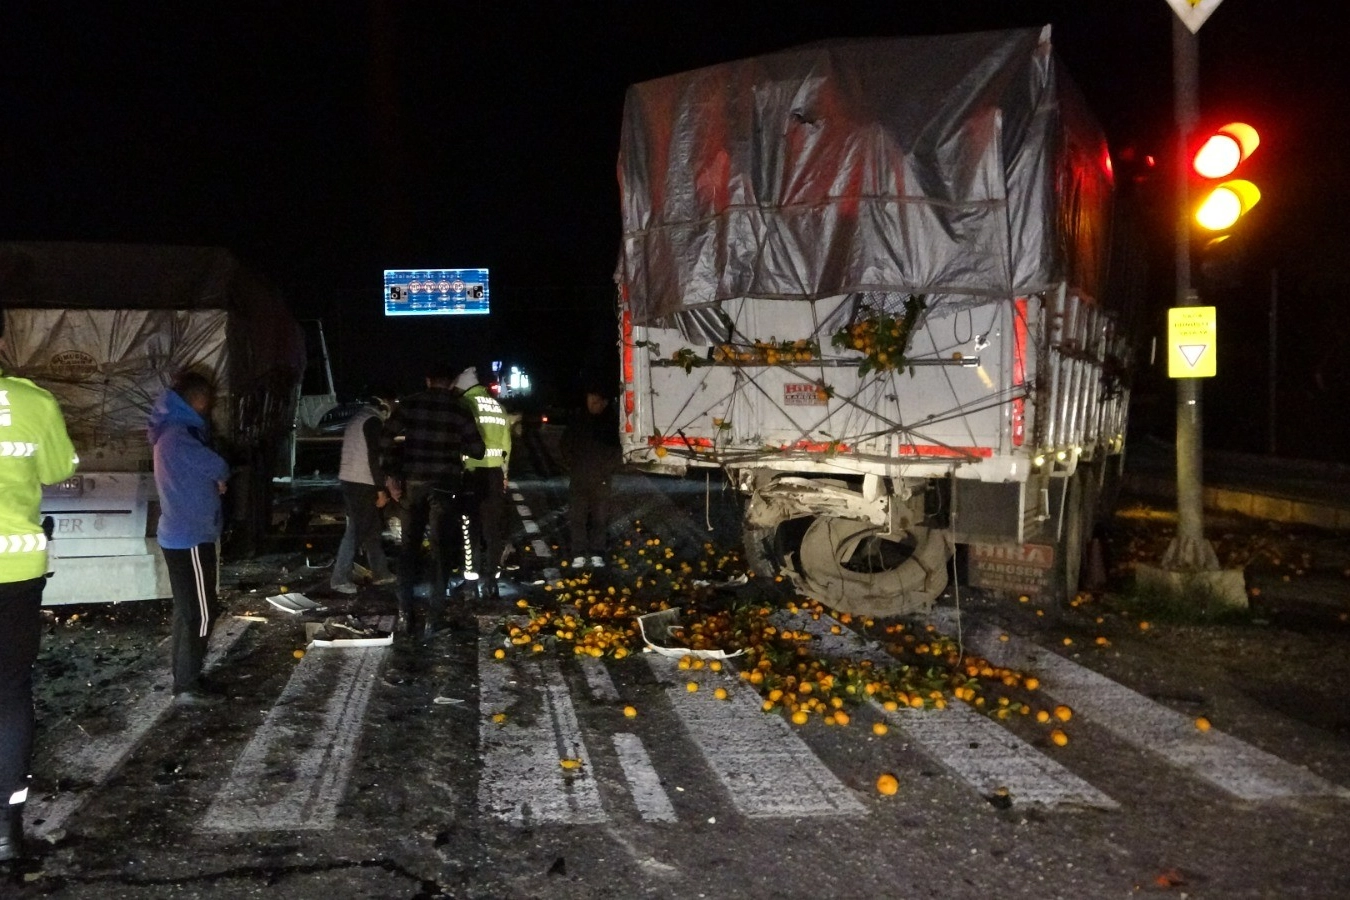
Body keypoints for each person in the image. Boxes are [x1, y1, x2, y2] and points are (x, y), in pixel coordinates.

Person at [0, 312, 78, 865]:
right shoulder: (33, 402)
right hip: (15, 575)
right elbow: (57, 471)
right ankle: (5, 832)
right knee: (8, 693)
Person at [382, 364, 485, 640]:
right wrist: (454, 445)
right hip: (445, 486)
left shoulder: (411, 404)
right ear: (451, 383)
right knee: (440, 550)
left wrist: (392, 472)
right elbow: (478, 449)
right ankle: (434, 618)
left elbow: (385, 436)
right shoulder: (460, 408)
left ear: (427, 380)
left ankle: (405, 616)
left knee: (408, 548)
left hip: (413, 484)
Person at [147, 370, 231, 708]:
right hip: (191, 537)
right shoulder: (181, 437)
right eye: (207, 400)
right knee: (202, 612)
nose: (209, 407)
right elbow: (218, 466)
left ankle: (184, 677)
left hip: (179, 533)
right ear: (197, 400)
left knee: (187, 611)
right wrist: (220, 479)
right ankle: (188, 684)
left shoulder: (169, 433)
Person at [452, 367, 511, 601]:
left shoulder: (465, 404)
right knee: (492, 529)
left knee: (470, 529)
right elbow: (507, 443)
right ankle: (492, 579)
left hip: (472, 473)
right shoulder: (497, 406)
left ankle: (470, 580)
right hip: (496, 473)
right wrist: (505, 474)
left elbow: (458, 439)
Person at [330, 390, 397, 594]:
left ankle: (381, 572)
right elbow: (373, 458)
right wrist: (380, 489)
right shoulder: (372, 421)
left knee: (372, 529)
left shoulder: (358, 418)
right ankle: (339, 578)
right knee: (356, 530)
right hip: (362, 482)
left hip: (350, 479)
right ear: (383, 405)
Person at [560, 382, 622, 569]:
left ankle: (597, 552)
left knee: (600, 519)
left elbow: (618, 452)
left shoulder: (610, 425)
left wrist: (606, 469)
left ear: (602, 403)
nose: (593, 404)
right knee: (577, 517)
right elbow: (564, 446)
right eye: (590, 400)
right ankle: (578, 553)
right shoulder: (577, 422)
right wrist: (573, 467)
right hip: (579, 479)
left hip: (601, 480)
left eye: (596, 401)